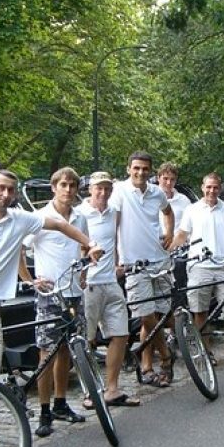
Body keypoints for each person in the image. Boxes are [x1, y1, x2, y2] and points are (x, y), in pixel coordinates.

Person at [0, 169, 102, 441]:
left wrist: (91, 244)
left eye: (11, 190)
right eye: (1, 188)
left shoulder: (20, 220)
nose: (6, 194)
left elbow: (61, 226)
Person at [19, 167, 103, 437]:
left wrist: (83, 272)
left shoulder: (80, 217)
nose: (68, 190)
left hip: (73, 292)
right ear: (53, 188)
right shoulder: (40, 217)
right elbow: (19, 248)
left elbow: (84, 248)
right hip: (49, 293)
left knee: (67, 350)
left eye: (72, 185)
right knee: (47, 352)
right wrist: (30, 279)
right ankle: (44, 411)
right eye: (63, 185)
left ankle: (60, 403)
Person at [172, 172, 224, 363]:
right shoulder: (192, 210)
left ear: (220, 189)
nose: (212, 191)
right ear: (202, 187)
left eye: (215, 187)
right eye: (208, 187)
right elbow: (182, 235)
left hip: (223, 265)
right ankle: (206, 352)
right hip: (198, 266)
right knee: (200, 311)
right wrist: (168, 248)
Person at [111, 151, 175, 388]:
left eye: (145, 169)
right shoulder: (119, 191)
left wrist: (169, 233)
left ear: (150, 171)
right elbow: (114, 225)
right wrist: (116, 259)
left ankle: (147, 367)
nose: (140, 173)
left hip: (159, 260)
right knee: (145, 314)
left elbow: (168, 211)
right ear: (128, 168)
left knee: (157, 317)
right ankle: (167, 357)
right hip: (133, 263)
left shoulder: (157, 192)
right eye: (136, 168)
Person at [77, 171, 140, 407]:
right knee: (87, 339)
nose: (103, 193)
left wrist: (115, 263)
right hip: (89, 284)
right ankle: (89, 391)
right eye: (99, 188)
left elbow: (112, 240)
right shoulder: (80, 213)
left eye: (107, 188)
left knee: (121, 334)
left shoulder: (113, 211)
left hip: (111, 282)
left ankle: (112, 388)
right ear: (90, 189)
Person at [156, 162, 191, 232]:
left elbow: (191, 224)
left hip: (177, 242)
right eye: (165, 178)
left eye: (172, 179)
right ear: (158, 178)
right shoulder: (149, 198)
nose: (169, 182)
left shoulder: (184, 200)